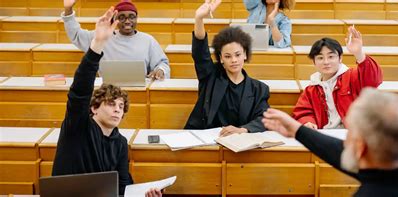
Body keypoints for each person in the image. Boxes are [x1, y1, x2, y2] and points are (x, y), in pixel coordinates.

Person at [52, 7, 162, 197]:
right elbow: (79, 91)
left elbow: (123, 186)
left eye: (121, 107)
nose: (118, 110)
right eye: (111, 104)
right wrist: (97, 45)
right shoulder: (78, 126)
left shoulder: (120, 143)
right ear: (94, 108)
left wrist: (144, 194)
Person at [262, 88, 398, 196]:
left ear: (361, 147)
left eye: (350, 133)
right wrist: (297, 130)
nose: (345, 140)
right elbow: (344, 155)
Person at [184, 0, 270, 137]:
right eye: (228, 56)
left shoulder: (259, 89)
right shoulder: (210, 76)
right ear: (221, 58)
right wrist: (199, 18)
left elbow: (264, 119)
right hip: (207, 141)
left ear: (245, 55)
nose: (234, 60)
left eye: (237, 55)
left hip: (239, 144)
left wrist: (243, 129)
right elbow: (200, 52)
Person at [292, 26, 383, 130]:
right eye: (320, 58)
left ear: (340, 58)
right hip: (325, 135)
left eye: (331, 57)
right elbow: (302, 112)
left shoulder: (352, 76)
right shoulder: (312, 89)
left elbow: (374, 80)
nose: (326, 62)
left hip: (353, 133)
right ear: (314, 62)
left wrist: (359, 54)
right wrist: (307, 122)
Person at [61, 0, 170, 80]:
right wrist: (68, 10)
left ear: (137, 19)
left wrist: (160, 70)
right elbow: (76, 35)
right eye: (122, 17)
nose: (127, 21)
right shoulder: (102, 37)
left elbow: (162, 63)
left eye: (131, 17)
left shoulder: (148, 40)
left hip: (140, 91)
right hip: (107, 92)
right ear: (115, 19)